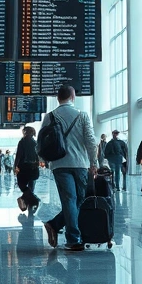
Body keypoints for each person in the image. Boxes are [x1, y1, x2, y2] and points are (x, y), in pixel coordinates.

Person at [42, 85, 98, 252]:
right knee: (76, 199)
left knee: (71, 200)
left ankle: (54, 224)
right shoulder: (82, 115)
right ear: (73, 97)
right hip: (80, 164)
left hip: (59, 164)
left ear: (58, 98)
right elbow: (90, 141)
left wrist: (46, 160)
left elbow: (42, 141)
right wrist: (93, 163)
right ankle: (72, 239)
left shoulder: (50, 116)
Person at [14, 126, 41, 213]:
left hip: (24, 167)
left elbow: (18, 155)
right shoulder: (35, 142)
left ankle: (34, 200)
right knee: (31, 185)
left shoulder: (22, 142)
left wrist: (15, 166)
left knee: (22, 185)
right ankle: (31, 202)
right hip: (33, 168)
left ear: (25, 132)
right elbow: (38, 156)